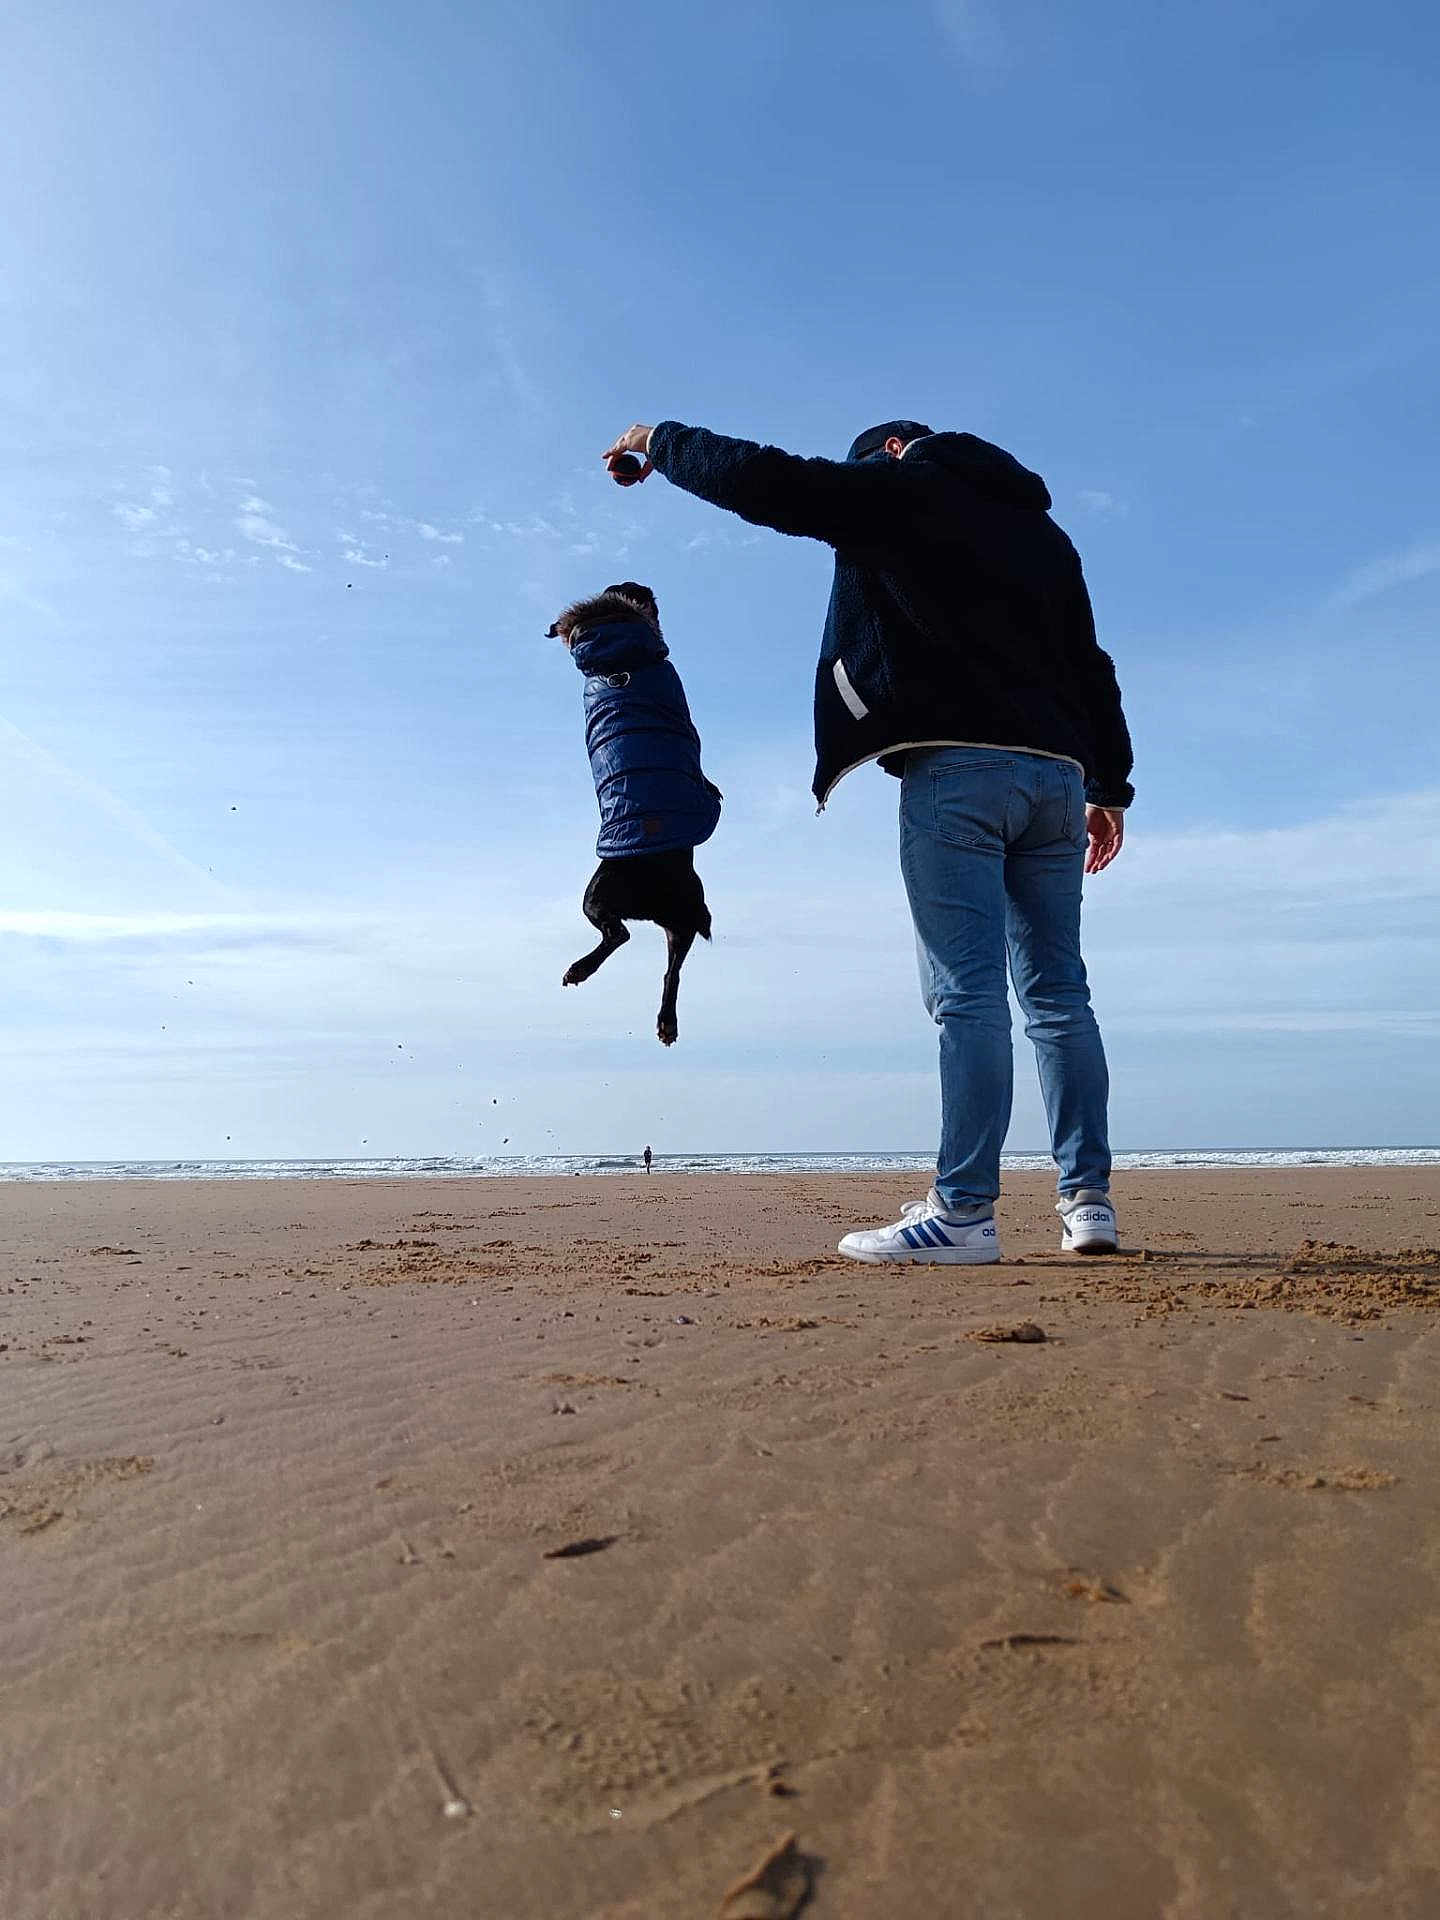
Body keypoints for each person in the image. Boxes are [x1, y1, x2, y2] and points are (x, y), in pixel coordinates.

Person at [602, 417, 1133, 1263]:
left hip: (959, 774)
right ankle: (1088, 1202)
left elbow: (775, 483)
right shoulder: (1043, 532)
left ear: (888, 452)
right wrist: (1111, 785)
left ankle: (962, 1214)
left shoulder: (911, 488)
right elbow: (1091, 662)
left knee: (967, 996)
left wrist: (661, 440)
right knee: (1060, 996)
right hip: (1058, 780)